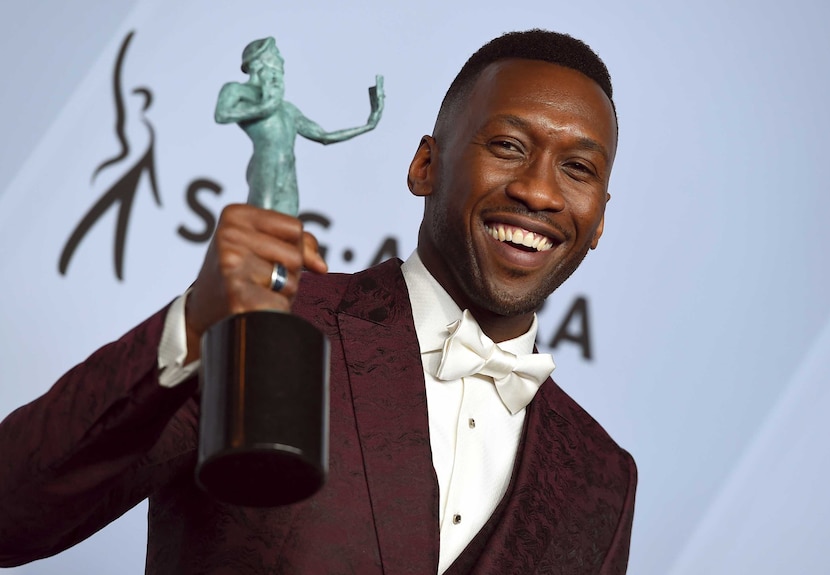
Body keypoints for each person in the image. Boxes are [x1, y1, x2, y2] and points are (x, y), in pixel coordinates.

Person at [0, 29, 636, 574]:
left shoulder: (602, 477)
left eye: (578, 169)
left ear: (600, 220)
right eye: (508, 147)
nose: (539, 192)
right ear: (424, 166)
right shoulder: (266, 325)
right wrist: (193, 328)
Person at [215, 36, 385, 215]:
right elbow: (222, 114)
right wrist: (267, 104)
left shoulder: (287, 109)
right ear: (258, 61)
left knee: (287, 230)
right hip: (266, 163)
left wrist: (369, 124)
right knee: (262, 224)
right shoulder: (238, 91)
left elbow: (324, 136)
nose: (281, 60)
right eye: (276, 54)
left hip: (287, 169)